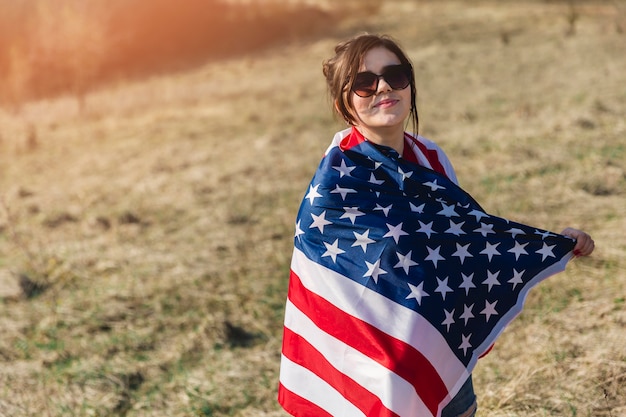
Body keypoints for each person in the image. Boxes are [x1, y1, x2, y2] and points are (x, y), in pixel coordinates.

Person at [278, 33, 594, 417]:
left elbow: (465, 240)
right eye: (365, 82)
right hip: (377, 368)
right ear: (343, 102)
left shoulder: (430, 157)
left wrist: (551, 244)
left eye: (396, 75)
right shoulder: (336, 182)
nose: (383, 88)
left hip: (438, 345)